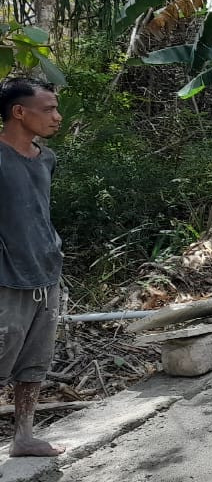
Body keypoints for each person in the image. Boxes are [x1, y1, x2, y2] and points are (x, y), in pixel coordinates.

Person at [0, 77, 66, 457]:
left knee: (35, 362)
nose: (57, 117)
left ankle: (23, 436)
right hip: (6, 278)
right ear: (19, 112)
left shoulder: (46, 158)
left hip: (46, 272)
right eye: (48, 109)